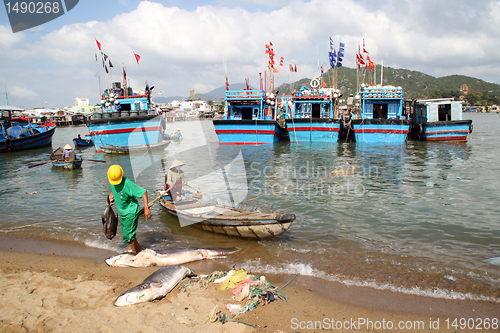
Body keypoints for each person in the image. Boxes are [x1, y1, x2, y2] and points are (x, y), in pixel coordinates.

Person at [107, 165, 151, 254]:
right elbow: (113, 189)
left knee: (128, 235)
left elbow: (143, 192)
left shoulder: (128, 183)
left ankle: (134, 254)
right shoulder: (113, 181)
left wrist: (146, 208)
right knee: (130, 233)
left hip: (131, 212)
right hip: (122, 212)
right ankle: (139, 250)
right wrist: (111, 198)